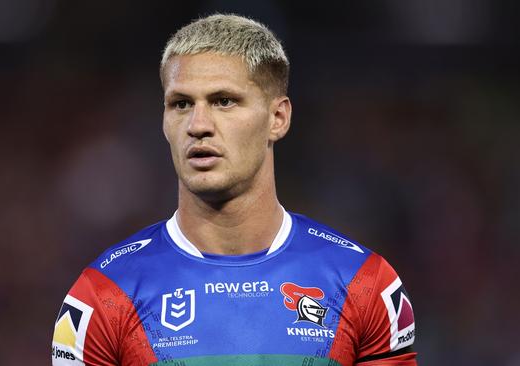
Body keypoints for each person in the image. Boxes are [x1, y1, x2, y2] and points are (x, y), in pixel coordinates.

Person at [51, 14, 417, 366]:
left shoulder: (363, 284)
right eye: (180, 104)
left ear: (278, 118)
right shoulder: (104, 295)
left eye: (223, 101)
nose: (198, 125)